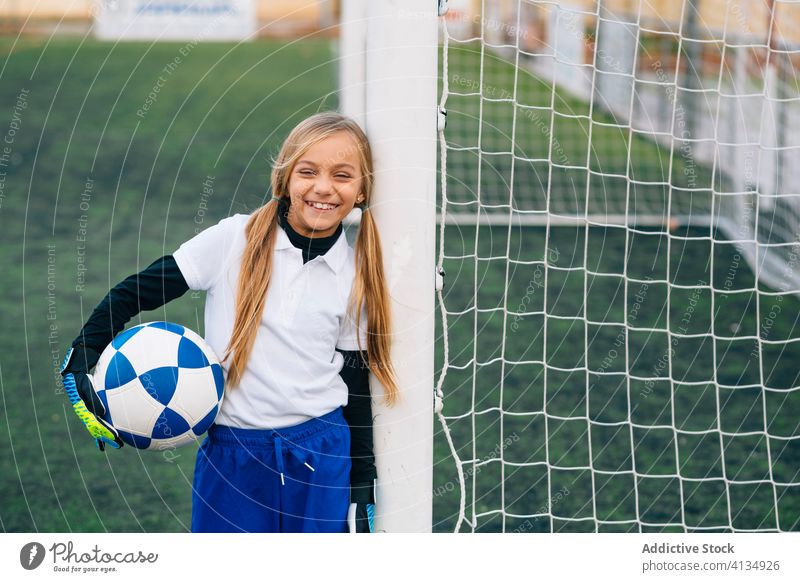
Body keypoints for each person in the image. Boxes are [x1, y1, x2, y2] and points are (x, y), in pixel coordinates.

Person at [59, 111, 398, 533]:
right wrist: (84, 353)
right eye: (307, 171)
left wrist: (361, 481)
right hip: (233, 453)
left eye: (343, 176)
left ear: (362, 190)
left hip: (322, 452)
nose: (324, 188)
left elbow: (354, 380)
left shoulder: (355, 274)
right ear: (286, 178)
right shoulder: (232, 240)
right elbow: (135, 292)